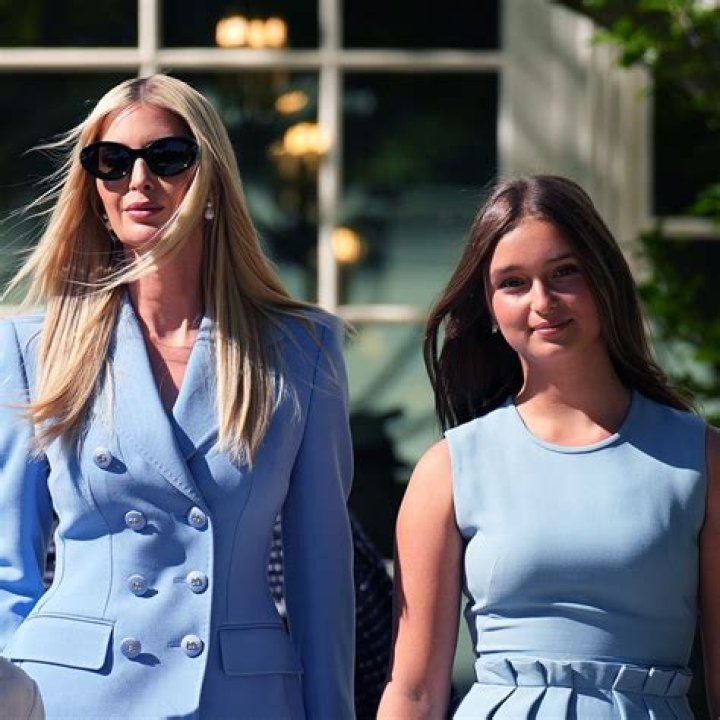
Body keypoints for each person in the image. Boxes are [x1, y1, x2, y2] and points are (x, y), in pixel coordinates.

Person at [0, 73, 355, 719]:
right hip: (72, 697)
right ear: (94, 189)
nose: (138, 180)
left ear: (212, 183)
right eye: (112, 161)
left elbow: (322, 578)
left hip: (237, 699)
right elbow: (5, 568)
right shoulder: (34, 347)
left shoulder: (300, 350)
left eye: (167, 157)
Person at [377, 174, 720, 719]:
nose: (543, 301)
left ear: (604, 279)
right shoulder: (450, 468)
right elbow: (414, 691)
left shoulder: (700, 458)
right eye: (513, 283)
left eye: (565, 272)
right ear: (490, 307)